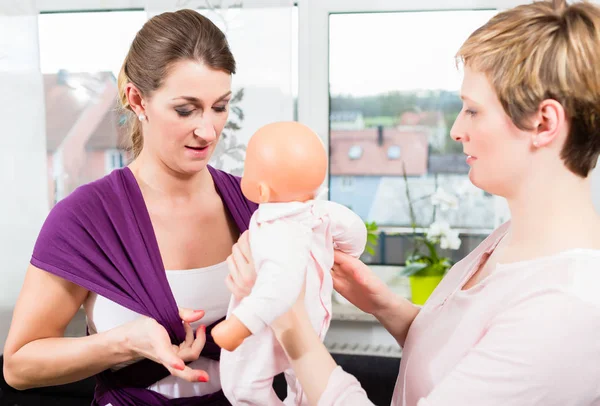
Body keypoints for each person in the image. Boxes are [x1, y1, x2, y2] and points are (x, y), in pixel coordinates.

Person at [226, 1, 600, 405]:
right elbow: (459, 360)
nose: (457, 130)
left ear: (544, 123)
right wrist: (383, 304)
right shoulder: (512, 236)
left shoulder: (566, 309)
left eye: (473, 110)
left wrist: (290, 323)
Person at [3, 9, 256, 406]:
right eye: (186, 110)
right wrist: (125, 343)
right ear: (136, 99)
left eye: (219, 106)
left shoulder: (254, 205)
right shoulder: (86, 218)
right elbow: (19, 366)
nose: (208, 131)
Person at [212, 121, 367, 405]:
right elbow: (356, 230)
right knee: (305, 381)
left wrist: (240, 324)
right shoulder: (320, 210)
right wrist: (346, 254)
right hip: (314, 318)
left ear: (262, 192)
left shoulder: (276, 230)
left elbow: (280, 286)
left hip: (270, 322)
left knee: (242, 385)